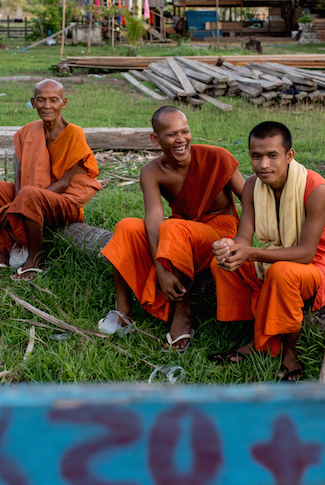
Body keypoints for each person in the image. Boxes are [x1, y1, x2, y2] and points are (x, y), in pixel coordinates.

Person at [100, 106, 245, 351]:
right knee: (126, 226)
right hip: (178, 232)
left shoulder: (217, 157)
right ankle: (123, 310)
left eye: (185, 131)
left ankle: (183, 311)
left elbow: (249, 200)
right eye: (171, 135)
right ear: (155, 139)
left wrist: (244, 241)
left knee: (173, 227)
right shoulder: (151, 171)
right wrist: (161, 270)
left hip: (218, 233)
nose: (181, 140)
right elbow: (154, 217)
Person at [211, 121, 325, 381]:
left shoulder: (317, 189)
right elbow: (244, 238)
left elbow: (306, 253)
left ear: (289, 155)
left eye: (273, 156)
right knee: (223, 263)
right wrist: (229, 246)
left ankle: (290, 350)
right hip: (275, 256)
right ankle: (258, 333)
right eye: (256, 156)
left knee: (282, 273)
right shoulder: (251, 186)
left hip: (317, 267)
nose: (263, 165)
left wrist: (253, 254)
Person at [0, 79, 102, 280]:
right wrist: (18, 202)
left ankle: (37, 258)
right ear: (33, 102)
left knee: (28, 194)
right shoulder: (29, 131)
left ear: (64, 102)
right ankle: (6, 248)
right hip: (30, 196)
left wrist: (16, 205)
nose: (47, 106)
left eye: (54, 100)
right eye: (41, 100)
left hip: (64, 202)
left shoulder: (74, 134)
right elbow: (19, 175)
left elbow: (64, 183)